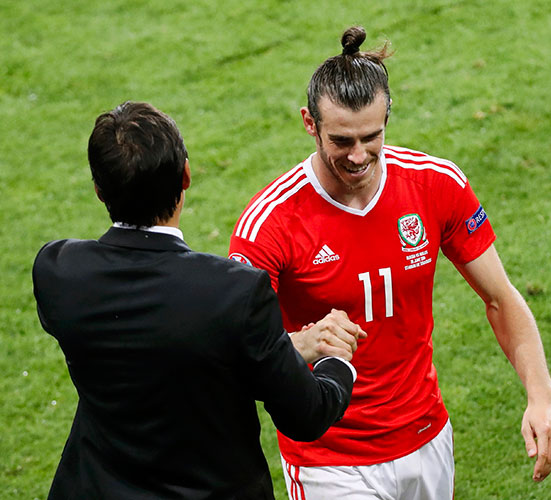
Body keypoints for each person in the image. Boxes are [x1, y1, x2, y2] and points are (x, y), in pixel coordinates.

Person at [229, 26, 551, 499]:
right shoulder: (270, 222)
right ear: (309, 123)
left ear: (387, 115)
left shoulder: (436, 185)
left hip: (426, 438)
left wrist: (542, 395)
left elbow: (499, 298)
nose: (358, 156)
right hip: (330, 460)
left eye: (372, 137)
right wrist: (303, 342)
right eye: (341, 141)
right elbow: (236, 351)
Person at [33, 101, 365, 500]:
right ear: (186, 176)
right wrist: (335, 359)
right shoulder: (235, 293)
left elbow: (171, 349)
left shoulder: (58, 271)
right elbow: (307, 415)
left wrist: (285, 347)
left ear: (99, 189)